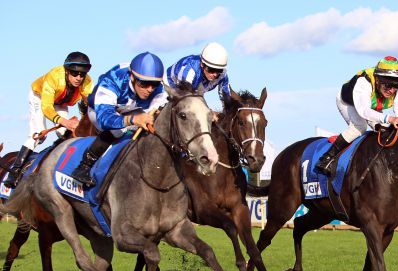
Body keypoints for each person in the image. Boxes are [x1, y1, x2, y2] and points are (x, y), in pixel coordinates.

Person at [70, 52, 168, 187]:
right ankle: (84, 166)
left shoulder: (157, 88)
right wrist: (132, 120)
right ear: (132, 76)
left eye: (154, 84)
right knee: (119, 130)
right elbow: (105, 119)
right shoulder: (113, 80)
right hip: (99, 110)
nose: (149, 89)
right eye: (144, 84)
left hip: (129, 107)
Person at [4, 52, 93, 188]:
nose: (79, 78)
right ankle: (14, 172)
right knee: (38, 134)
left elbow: (87, 107)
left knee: (67, 134)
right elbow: (46, 107)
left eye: (82, 74)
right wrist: (65, 122)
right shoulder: (54, 77)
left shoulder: (87, 82)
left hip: (60, 102)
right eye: (75, 73)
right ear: (67, 71)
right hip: (40, 98)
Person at [314, 56, 398, 175]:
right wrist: (391, 118)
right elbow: (364, 111)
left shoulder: (397, 88)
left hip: (372, 106)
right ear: (378, 79)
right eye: (388, 85)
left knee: (385, 128)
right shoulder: (364, 82)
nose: (392, 90)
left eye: (396, 86)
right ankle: (326, 158)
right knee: (359, 127)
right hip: (349, 103)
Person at [165, 42, 230, 99]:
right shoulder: (190, 71)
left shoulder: (222, 75)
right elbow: (186, 98)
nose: (215, 74)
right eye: (211, 69)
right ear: (202, 64)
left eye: (219, 70)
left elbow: (226, 99)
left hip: (194, 91)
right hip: (169, 85)